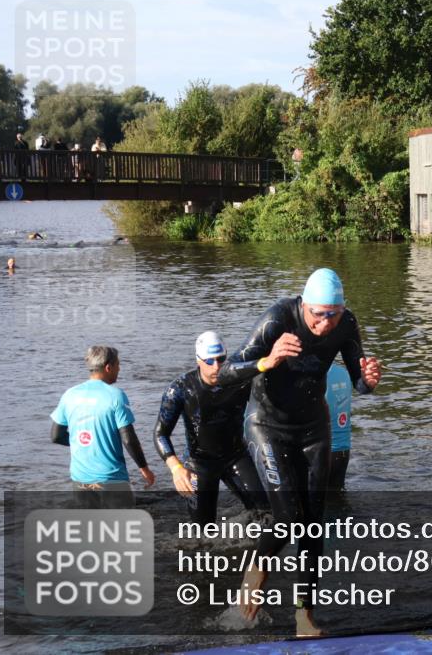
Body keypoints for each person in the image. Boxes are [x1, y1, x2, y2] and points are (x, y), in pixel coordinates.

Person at [217, 268, 382, 636]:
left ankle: (304, 616)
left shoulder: (345, 324)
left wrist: (368, 382)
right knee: (288, 518)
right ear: (304, 306)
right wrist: (267, 360)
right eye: (318, 314)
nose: (324, 324)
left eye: (332, 314)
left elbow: (359, 382)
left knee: (312, 523)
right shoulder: (278, 319)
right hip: (267, 426)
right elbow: (224, 373)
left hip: (313, 428)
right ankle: (257, 568)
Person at [153, 331, 267, 525]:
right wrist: (176, 468)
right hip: (199, 464)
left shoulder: (240, 381)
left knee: (266, 513)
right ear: (198, 360)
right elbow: (160, 434)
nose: (216, 367)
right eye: (209, 361)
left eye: (221, 359)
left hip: (236, 457)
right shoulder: (180, 388)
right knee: (203, 531)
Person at [50, 346, 155, 507]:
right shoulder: (116, 396)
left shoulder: (70, 394)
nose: (119, 369)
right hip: (112, 480)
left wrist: (81, 442)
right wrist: (144, 468)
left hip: (81, 480)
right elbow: (128, 439)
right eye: (118, 365)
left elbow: (56, 436)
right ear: (108, 367)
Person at [326, 361, 353, 490]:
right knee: (337, 498)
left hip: (318, 452)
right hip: (342, 452)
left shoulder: (312, 374)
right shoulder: (343, 373)